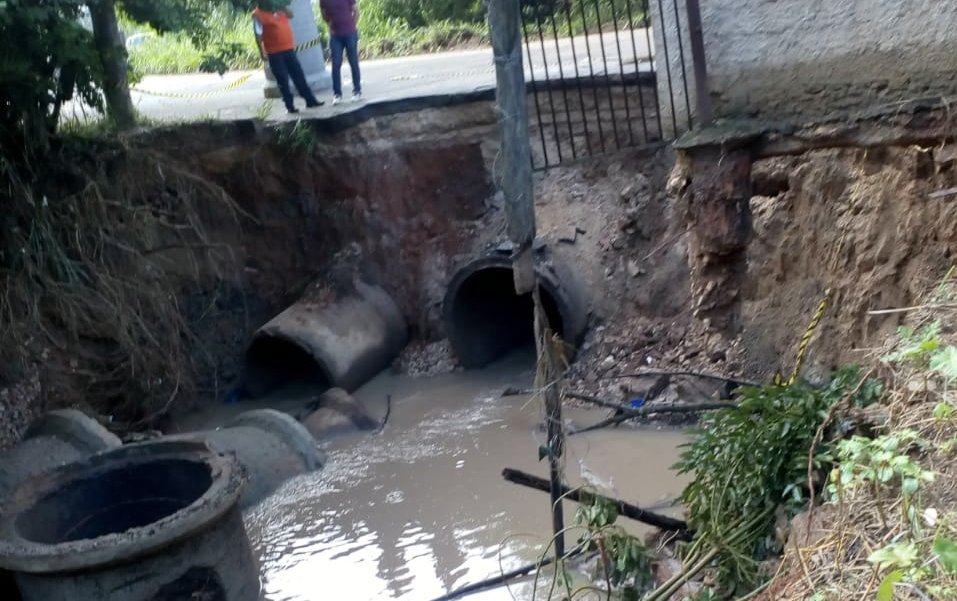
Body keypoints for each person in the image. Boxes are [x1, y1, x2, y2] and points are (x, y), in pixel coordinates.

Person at [253, 1, 324, 114]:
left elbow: (291, 15)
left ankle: (310, 100)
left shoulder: (279, 7)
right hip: (274, 52)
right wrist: (262, 52)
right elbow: (258, 35)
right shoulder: (258, 14)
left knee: (298, 75)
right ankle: (289, 106)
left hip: (288, 48)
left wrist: (282, 6)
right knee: (283, 80)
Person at [319, 0, 362, 105]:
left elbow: (356, 11)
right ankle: (337, 94)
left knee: (353, 62)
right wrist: (330, 24)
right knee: (336, 64)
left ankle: (357, 91)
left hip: (350, 33)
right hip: (335, 35)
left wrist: (352, 25)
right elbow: (324, 14)